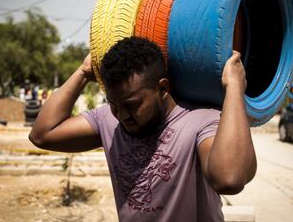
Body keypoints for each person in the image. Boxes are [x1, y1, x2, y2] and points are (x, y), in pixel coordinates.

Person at [29, 37, 257, 221]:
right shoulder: (109, 120)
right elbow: (42, 134)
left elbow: (230, 179)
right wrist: (83, 72)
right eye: (113, 104)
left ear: (163, 88)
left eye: (132, 105)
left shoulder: (199, 121)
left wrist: (235, 87)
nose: (122, 116)